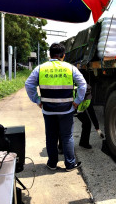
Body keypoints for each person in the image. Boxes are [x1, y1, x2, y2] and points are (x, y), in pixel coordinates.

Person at [25, 43, 87, 171]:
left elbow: (28, 84)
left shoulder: (40, 68)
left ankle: (52, 163)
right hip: (67, 109)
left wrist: (37, 100)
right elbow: (83, 85)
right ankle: (70, 164)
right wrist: (77, 101)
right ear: (63, 55)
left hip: (48, 110)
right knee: (67, 136)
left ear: (50, 55)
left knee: (51, 137)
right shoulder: (70, 68)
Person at [58, 84, 104, 152]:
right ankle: (61, 147)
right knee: (64, 126)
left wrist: (97, 128)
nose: (86, 98)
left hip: (79, 110)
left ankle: (84, 143)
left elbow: (92, 113)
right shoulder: (71, 95)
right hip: (67, 109)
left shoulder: (88, 98)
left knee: (87, 123)